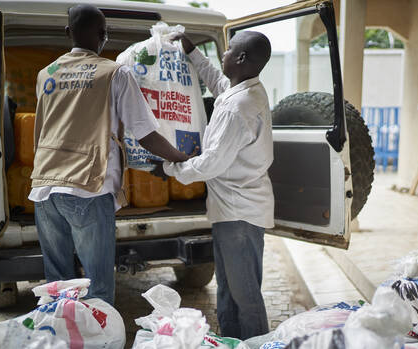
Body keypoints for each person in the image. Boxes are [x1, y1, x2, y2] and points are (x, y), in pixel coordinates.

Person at [28, 4, 189, 306]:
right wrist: (181, 157)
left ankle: (63, 336)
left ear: (67, 33)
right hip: (87, 187)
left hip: (44, 188)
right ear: (103, 35)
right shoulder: (115, 73)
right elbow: (146, 134)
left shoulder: (45, 74)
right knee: (97, 285)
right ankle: (100, 337)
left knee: (58, 284)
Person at [159, 31, 274, 339]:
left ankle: (256, 344)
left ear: (240, 59)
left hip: (240, 216)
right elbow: (218, 82)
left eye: (229, 50)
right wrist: (193, 52)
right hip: (231, 212)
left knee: (245, 296)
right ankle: (231, 343)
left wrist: (172, 169)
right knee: (226, 291)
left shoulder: (239, 108)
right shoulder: (243, 90)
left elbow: (211, 163)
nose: (223, 54)